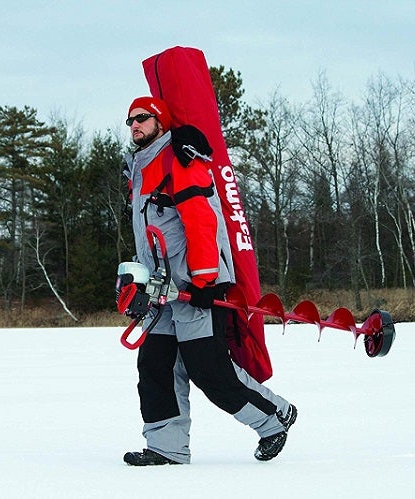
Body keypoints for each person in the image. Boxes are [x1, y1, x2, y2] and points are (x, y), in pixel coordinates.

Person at [120, 96, 297, 465]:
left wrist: (204, 280)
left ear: (160, 121)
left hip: (196, 288)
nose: (134, 125)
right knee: (156, 367)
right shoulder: (139, 169)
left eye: (142, 118)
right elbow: (152, 235)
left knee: (210, 371)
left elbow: (202, 223)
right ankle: (166, 449)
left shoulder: (179, 160)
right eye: (130, 121)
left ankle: (273, 417)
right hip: (162, 291)